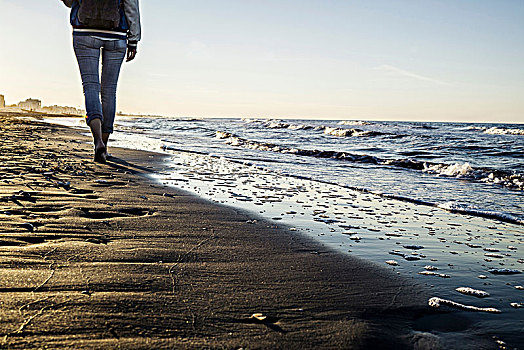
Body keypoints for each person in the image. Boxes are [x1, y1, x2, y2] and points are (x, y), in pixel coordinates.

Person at [61, 0, 141, 163]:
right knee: (109, 92)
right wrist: (133, 40)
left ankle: (97, 141)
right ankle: (104, 145)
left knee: (90, 87)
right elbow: (131, 7)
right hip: (116, 35)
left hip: (84, 32)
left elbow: (69, 1)